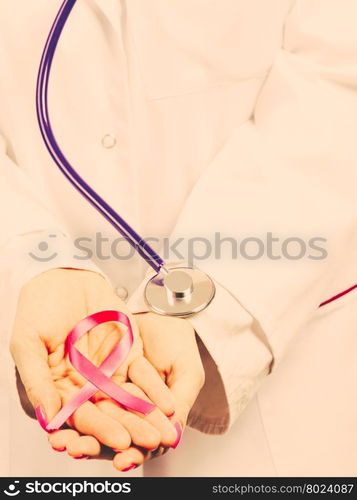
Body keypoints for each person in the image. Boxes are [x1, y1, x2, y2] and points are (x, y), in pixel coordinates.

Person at [1, 0, 356, 477]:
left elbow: (339, 84)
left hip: (285, 321)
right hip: (42, 368)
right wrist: (30, 258)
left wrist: (205, 298)